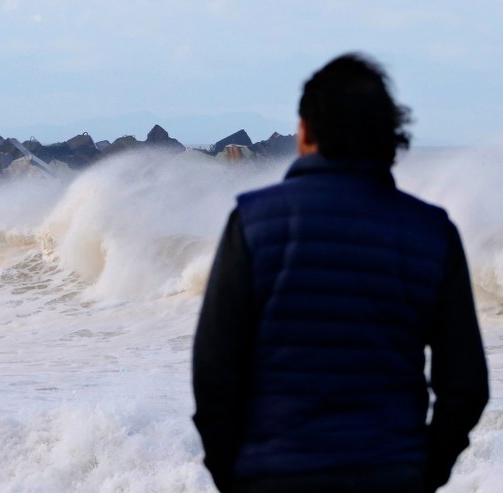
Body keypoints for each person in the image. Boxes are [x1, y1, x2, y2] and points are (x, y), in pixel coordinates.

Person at [192, 54, 488, 493]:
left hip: (273, 474)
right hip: (390, 474)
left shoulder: (253, 223)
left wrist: (232, 471)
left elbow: (214, 371)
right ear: (389, 138)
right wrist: (425, 471)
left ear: (305, 132)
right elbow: (465, 386)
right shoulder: (432, 232)